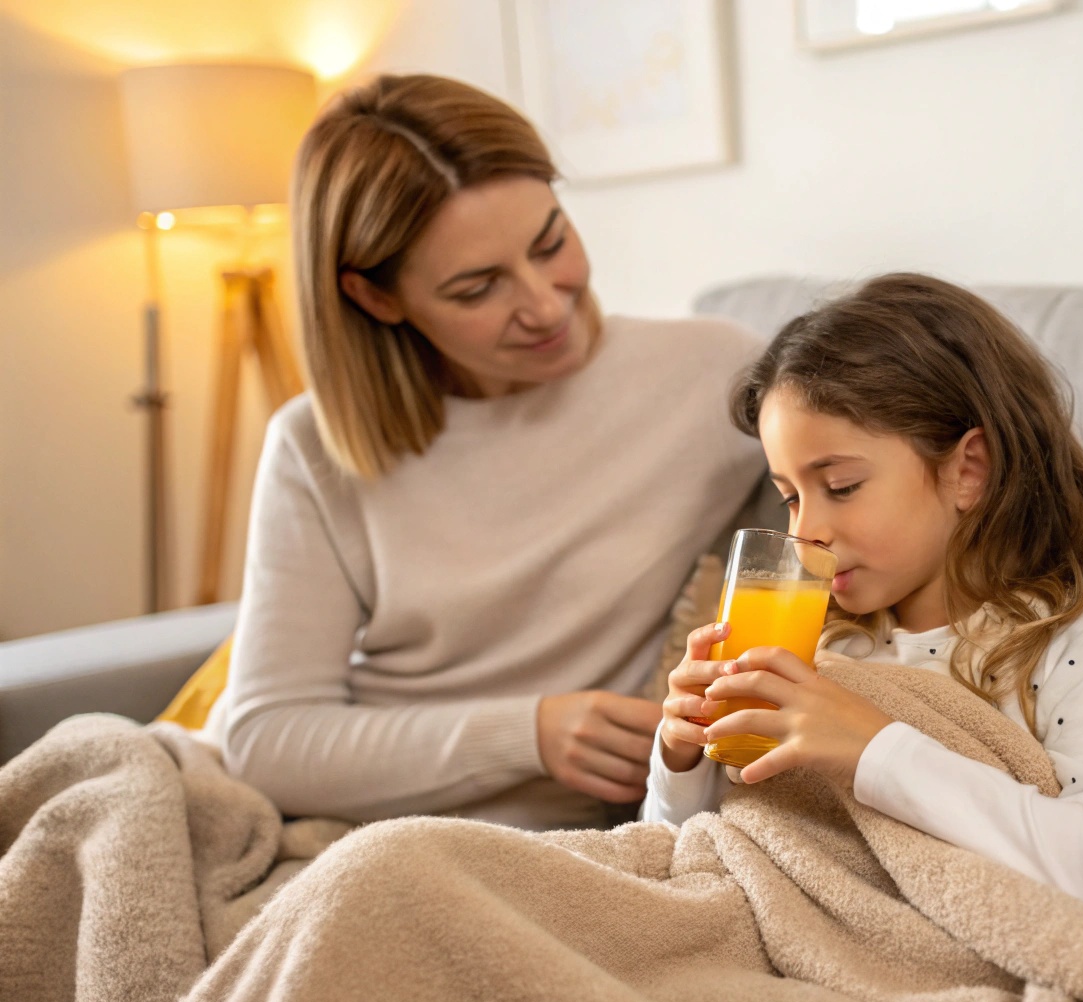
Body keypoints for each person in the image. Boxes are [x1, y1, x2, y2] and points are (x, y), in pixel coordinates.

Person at [200, 74, 768, 828]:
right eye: (477, 288)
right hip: (358, 827)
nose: (544, 304)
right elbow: (267, 742)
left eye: (551, 242)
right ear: (377, 298)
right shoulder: (316, 449)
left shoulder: (716, 375)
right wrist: (525, 735)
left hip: (551, 849)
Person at [643, 273, 1083, 917]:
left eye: (843, 486)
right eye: (791, 498)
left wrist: (872, 747)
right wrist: (683, 759)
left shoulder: (1080, 632)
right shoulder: (819, 636)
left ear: (968, 469)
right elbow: (684, 859)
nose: (806, 533)